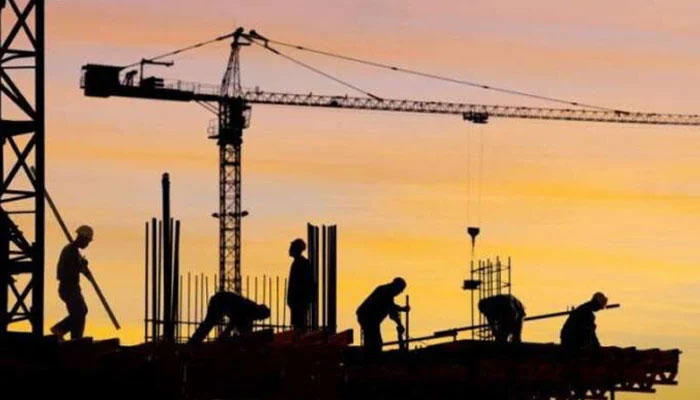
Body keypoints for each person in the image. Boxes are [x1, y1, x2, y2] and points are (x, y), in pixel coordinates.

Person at [50, 225, 94, 340]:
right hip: (68, 287)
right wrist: (81, 266)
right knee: (80, 312)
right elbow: (68, 270)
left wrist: (82, 266)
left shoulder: (73, 251)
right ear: (82, 238)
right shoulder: (70, 251)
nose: (87, 244)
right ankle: (60, 329)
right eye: (87, 241)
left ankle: (76, 338)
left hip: (72, 287)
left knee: (79, 313)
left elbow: (76, 267)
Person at [188, 291, 270, 345]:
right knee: (210, 322)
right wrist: (224, 335)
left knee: (209, 323)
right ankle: (195, 341)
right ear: (260, 312)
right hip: (219, 301)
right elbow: (234, 322)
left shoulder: (250, 311)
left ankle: (195, 341)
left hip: (221, 301)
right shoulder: (248, 309)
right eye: (261, 318)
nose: (260, 320)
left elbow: (243, 327)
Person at [356, 277, 409, 358]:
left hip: (370, 319)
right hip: (368, 318)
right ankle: (370, 359)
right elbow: (391, 308)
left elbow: (392, 311)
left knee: (374, 341)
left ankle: (370, 356)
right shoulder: (385, 291)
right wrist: (402, 312)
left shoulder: (387, 292)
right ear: (395, 286)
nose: (400, 292)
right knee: (374, 341)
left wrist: (399, 322)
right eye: (400, 290)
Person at [286, 238, 313, 332]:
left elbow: (305, 284)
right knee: (297, 326)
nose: (289, 250)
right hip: (296, 302)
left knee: (299, 326)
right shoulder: (298, 263)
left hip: (299, 302)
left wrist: (300, 301)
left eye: (291, 247)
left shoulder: (302, 263)